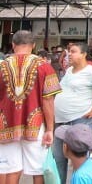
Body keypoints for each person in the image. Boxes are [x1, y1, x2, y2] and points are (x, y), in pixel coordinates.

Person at [0, 30, 62, 183]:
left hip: (5, 126)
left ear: (13, 45)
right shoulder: (45, 67)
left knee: (10, 170)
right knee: (38, 170)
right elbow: (48, 101)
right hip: (35, 126)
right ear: (33, 45)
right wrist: (49, 129)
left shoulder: (1, 66)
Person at [53, 42, 92, 184]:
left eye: (73, 51)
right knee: (58, 157)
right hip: (61, 121)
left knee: (80, 160)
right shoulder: (69, 71)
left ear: (83, 54)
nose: (69, 54)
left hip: (79, 120)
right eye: (69, 51)